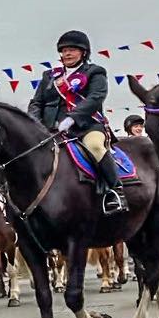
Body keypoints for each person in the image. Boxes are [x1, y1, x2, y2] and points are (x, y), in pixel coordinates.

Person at [29, 30, 126, 215]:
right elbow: (37, 102)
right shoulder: (50, 76)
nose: (67, 54)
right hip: (51, 130)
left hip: (86, 127)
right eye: (64, 50)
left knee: (96, 146)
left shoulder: (95, 72)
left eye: (72, 50)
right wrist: (34, 124)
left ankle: (115, 191)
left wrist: (72, 117)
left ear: (83, 52)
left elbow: (96, 98)